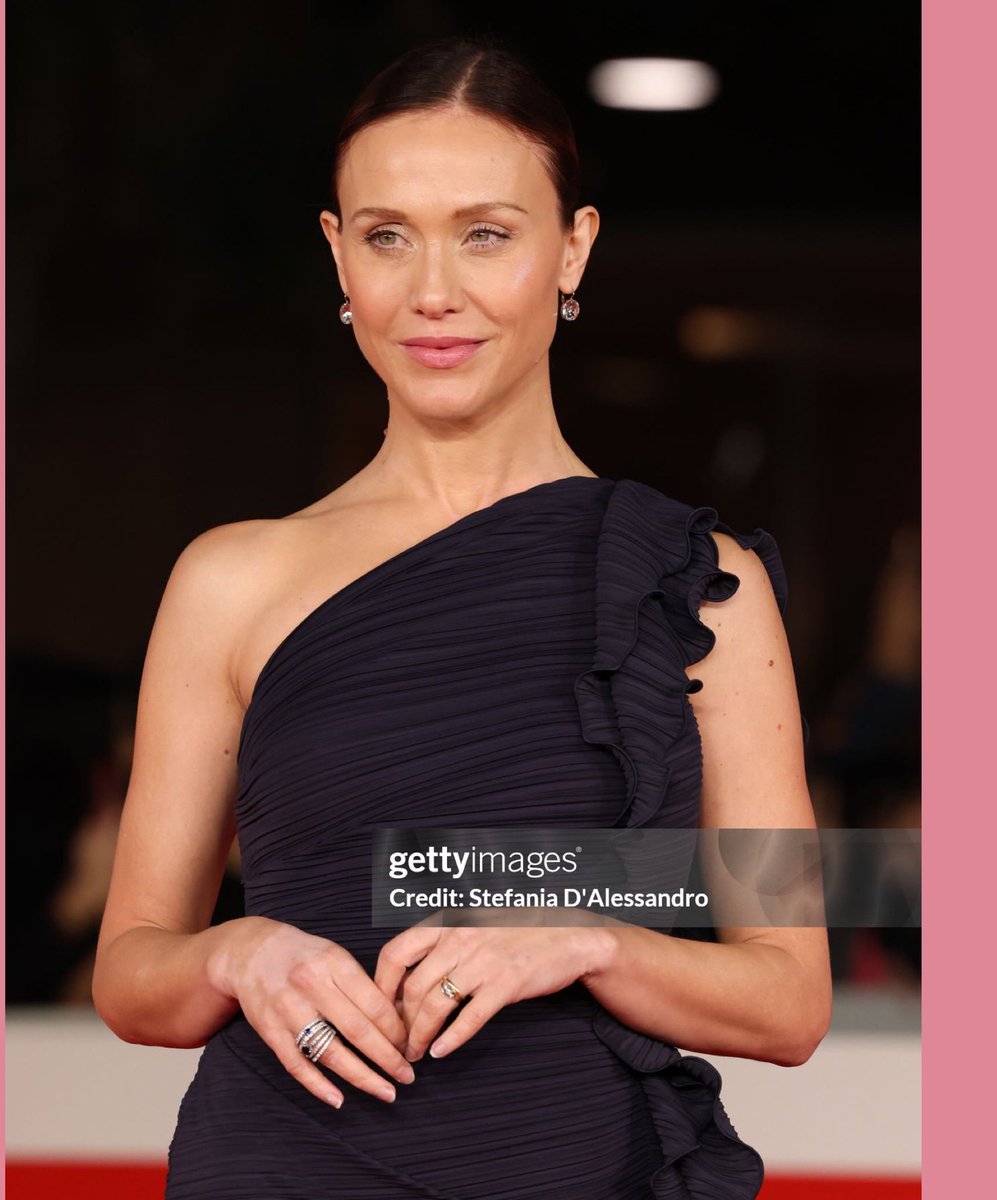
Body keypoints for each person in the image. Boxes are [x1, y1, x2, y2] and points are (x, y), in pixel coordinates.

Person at [92, 35, 831, 1200]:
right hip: (283, 1165)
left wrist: (591, 940)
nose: (433, 291)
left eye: (485, 233)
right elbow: (133, 972)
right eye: (388, 236)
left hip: (578, 1167)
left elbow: (790, 997)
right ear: (338, 253)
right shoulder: (229, 581)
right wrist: (237, 952)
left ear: (572, 246)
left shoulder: (701, 587)